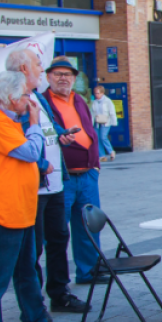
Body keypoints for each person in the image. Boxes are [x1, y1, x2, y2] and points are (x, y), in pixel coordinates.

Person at [0, 71, 64, 322]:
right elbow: (31, 152)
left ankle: (35, 319)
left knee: (27, 271)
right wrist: (35, 123)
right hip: (1, 213)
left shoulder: (8, 121)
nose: (29, 100)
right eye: (25, 95)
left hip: (22, 209)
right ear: (11, 98)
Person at [5, 50, 88, 315]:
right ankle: (33, 305)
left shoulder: (37, 97)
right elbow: (15, 143)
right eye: (38, 65)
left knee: (59, 239)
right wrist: (41, 164)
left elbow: (48, 128)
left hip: (55, 184)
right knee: (33, 247)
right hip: (34, 186)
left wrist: (62, 135)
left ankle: (60, 294)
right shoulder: (13, 100)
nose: (42, 70)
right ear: (23, 68)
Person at [42, 57, 104, 286]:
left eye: (67, 74)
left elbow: (89, 130)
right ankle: (58, 282)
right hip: (62, 176)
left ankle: (89, 271)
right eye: (58, 74)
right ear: (48, 77)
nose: (63, 78)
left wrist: (95, 166)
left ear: (74, 78)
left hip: (87, 174)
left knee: (89, 226)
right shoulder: (42, 102)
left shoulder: (79, 99)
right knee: (57, 232)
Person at [91, 85, 118, 162]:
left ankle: (111, 151)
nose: (96, 95)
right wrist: (91, 123)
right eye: (95, 93)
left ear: (102, 93)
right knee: (97, 138)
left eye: (98, 93)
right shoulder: (94, 102)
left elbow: (112, 112)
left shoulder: (108, 101)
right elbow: (92, 113)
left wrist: (114, 122)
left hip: (106, 122)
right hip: (97, 123)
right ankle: (102, 156)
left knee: (103, 137)